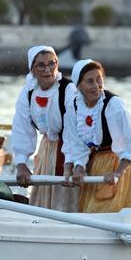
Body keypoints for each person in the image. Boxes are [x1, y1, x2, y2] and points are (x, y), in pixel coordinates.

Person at [61, 59, 131, 213]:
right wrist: (77, 167)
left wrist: (117, 173)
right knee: (89, 208)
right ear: (79, 86)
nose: (97, 85)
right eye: (90, 81)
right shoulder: (74, 107)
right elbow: (74, 142)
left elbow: (129, 144)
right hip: (98, 160)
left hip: (121, 161)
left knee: (112, 209)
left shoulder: (114, 105)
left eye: (99, 79)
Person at [11, 45, 78, 213]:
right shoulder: (28, 93)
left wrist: (70, 162)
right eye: (41, 65)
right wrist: (21, 163)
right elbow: (22, 128)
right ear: (32, 69)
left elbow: (74, 130)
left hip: (70, 149)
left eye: (52, 64)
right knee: (44, 197)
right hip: (47, 149)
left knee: (67, 197)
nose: (48, 69)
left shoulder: (68, 90)